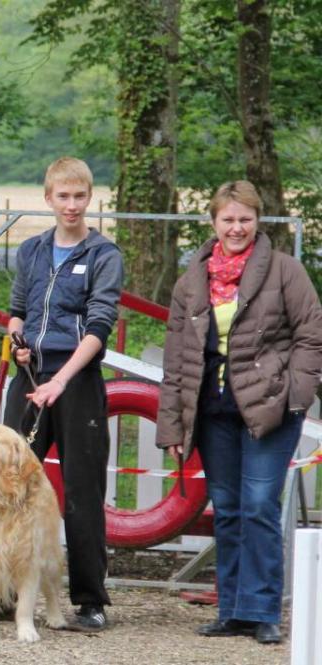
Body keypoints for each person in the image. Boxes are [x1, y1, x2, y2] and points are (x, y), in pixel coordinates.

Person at [157, 180, 322, 645]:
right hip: (213, 411)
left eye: (245, 219)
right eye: (228, 219)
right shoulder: (192, 280)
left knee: (259, 508)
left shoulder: (286, 271)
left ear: (258, 221)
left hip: (270, 407)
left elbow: (312, 335)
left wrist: (297, 393)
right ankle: (231, 609)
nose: (236, 227)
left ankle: (263, 609)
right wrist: (172, 420)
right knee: (228, 510)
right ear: (213, 222)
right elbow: (176, 355)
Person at [3, 156, 122, 632]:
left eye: (79, 196)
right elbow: (16, 311)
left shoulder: (103, 255)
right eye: (62, 196)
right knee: (9, 482)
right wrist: (17, 344)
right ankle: (11, 596)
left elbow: (99, 325)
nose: (71, 205)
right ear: (49, 198)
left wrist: (61, 379)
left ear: (89, 199)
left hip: (77, 382)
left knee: (82, 492)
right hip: (31, 381)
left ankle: (90, 600)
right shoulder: (30, 251)